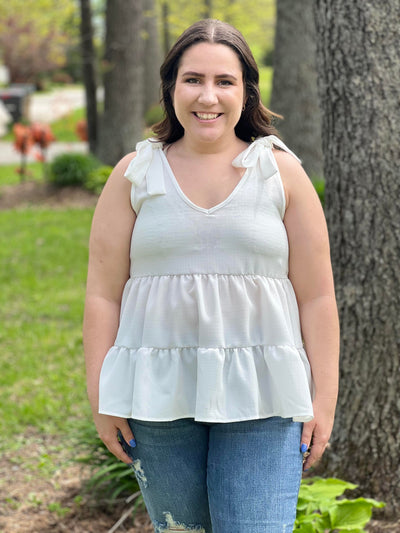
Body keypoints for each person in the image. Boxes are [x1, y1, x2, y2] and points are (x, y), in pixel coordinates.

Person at [83, 18, 339, 533]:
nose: (208, 96)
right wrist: (100, 397)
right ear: (171, 88)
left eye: (225, 81)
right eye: (192, 79)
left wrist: (323, 402)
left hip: (265, 395)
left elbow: (317, 298)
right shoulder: (134, 174)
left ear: (246, 91)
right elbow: (102, 296)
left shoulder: (280, 172)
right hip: (157, 396)